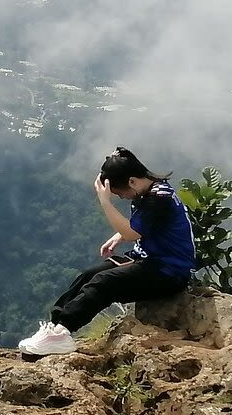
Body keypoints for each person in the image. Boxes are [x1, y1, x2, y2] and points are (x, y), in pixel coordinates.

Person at [18, 146, 195, 357]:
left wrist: (105, 201)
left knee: (104, 282)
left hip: (170, 272)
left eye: (120, 192)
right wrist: (117, 236)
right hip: (149, 260)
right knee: (88, 276)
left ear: (131, 181)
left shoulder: (159, 199)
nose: (121, 197)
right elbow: (145, 226)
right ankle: (55, 328)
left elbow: (132, 232)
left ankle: (63, 332)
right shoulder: (151, 191)